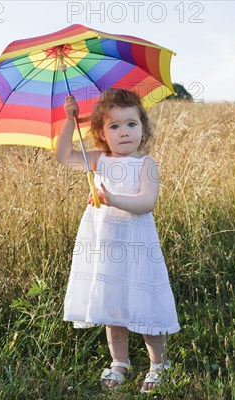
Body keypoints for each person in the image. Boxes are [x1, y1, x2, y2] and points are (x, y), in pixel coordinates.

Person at [55, 88, 181, 393]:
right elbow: (62, 156)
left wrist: (111, 198)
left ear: (143, 127)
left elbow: (146, 203)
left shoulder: (146, 164)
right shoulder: (98, 160)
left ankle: (158, 364)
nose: (124, 132)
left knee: (146, 303)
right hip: (107, 246)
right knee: (113, 306)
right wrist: (69, 120)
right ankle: (119, 362)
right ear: (101, 133)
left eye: (131, 124)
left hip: (137, 247)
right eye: (114, 126)